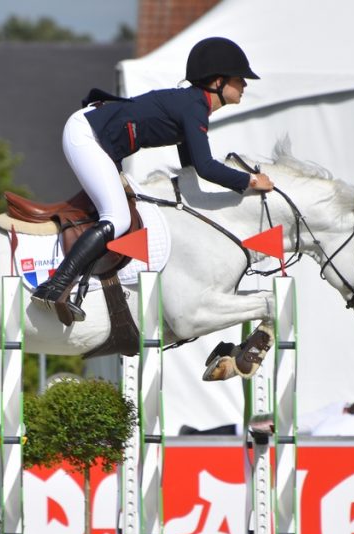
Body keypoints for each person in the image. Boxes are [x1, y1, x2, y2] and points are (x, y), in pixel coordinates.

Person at [31, 37, 274, 321]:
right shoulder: (193, 107)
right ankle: (55, 286)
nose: (245, 85)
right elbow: (206, 167)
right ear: (218, 82)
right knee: (118, 218)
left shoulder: (193, 105)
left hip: (97, 137)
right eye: (240, 79)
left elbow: (191, 170)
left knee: (125, 210)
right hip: (87, 135)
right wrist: (252, 181)